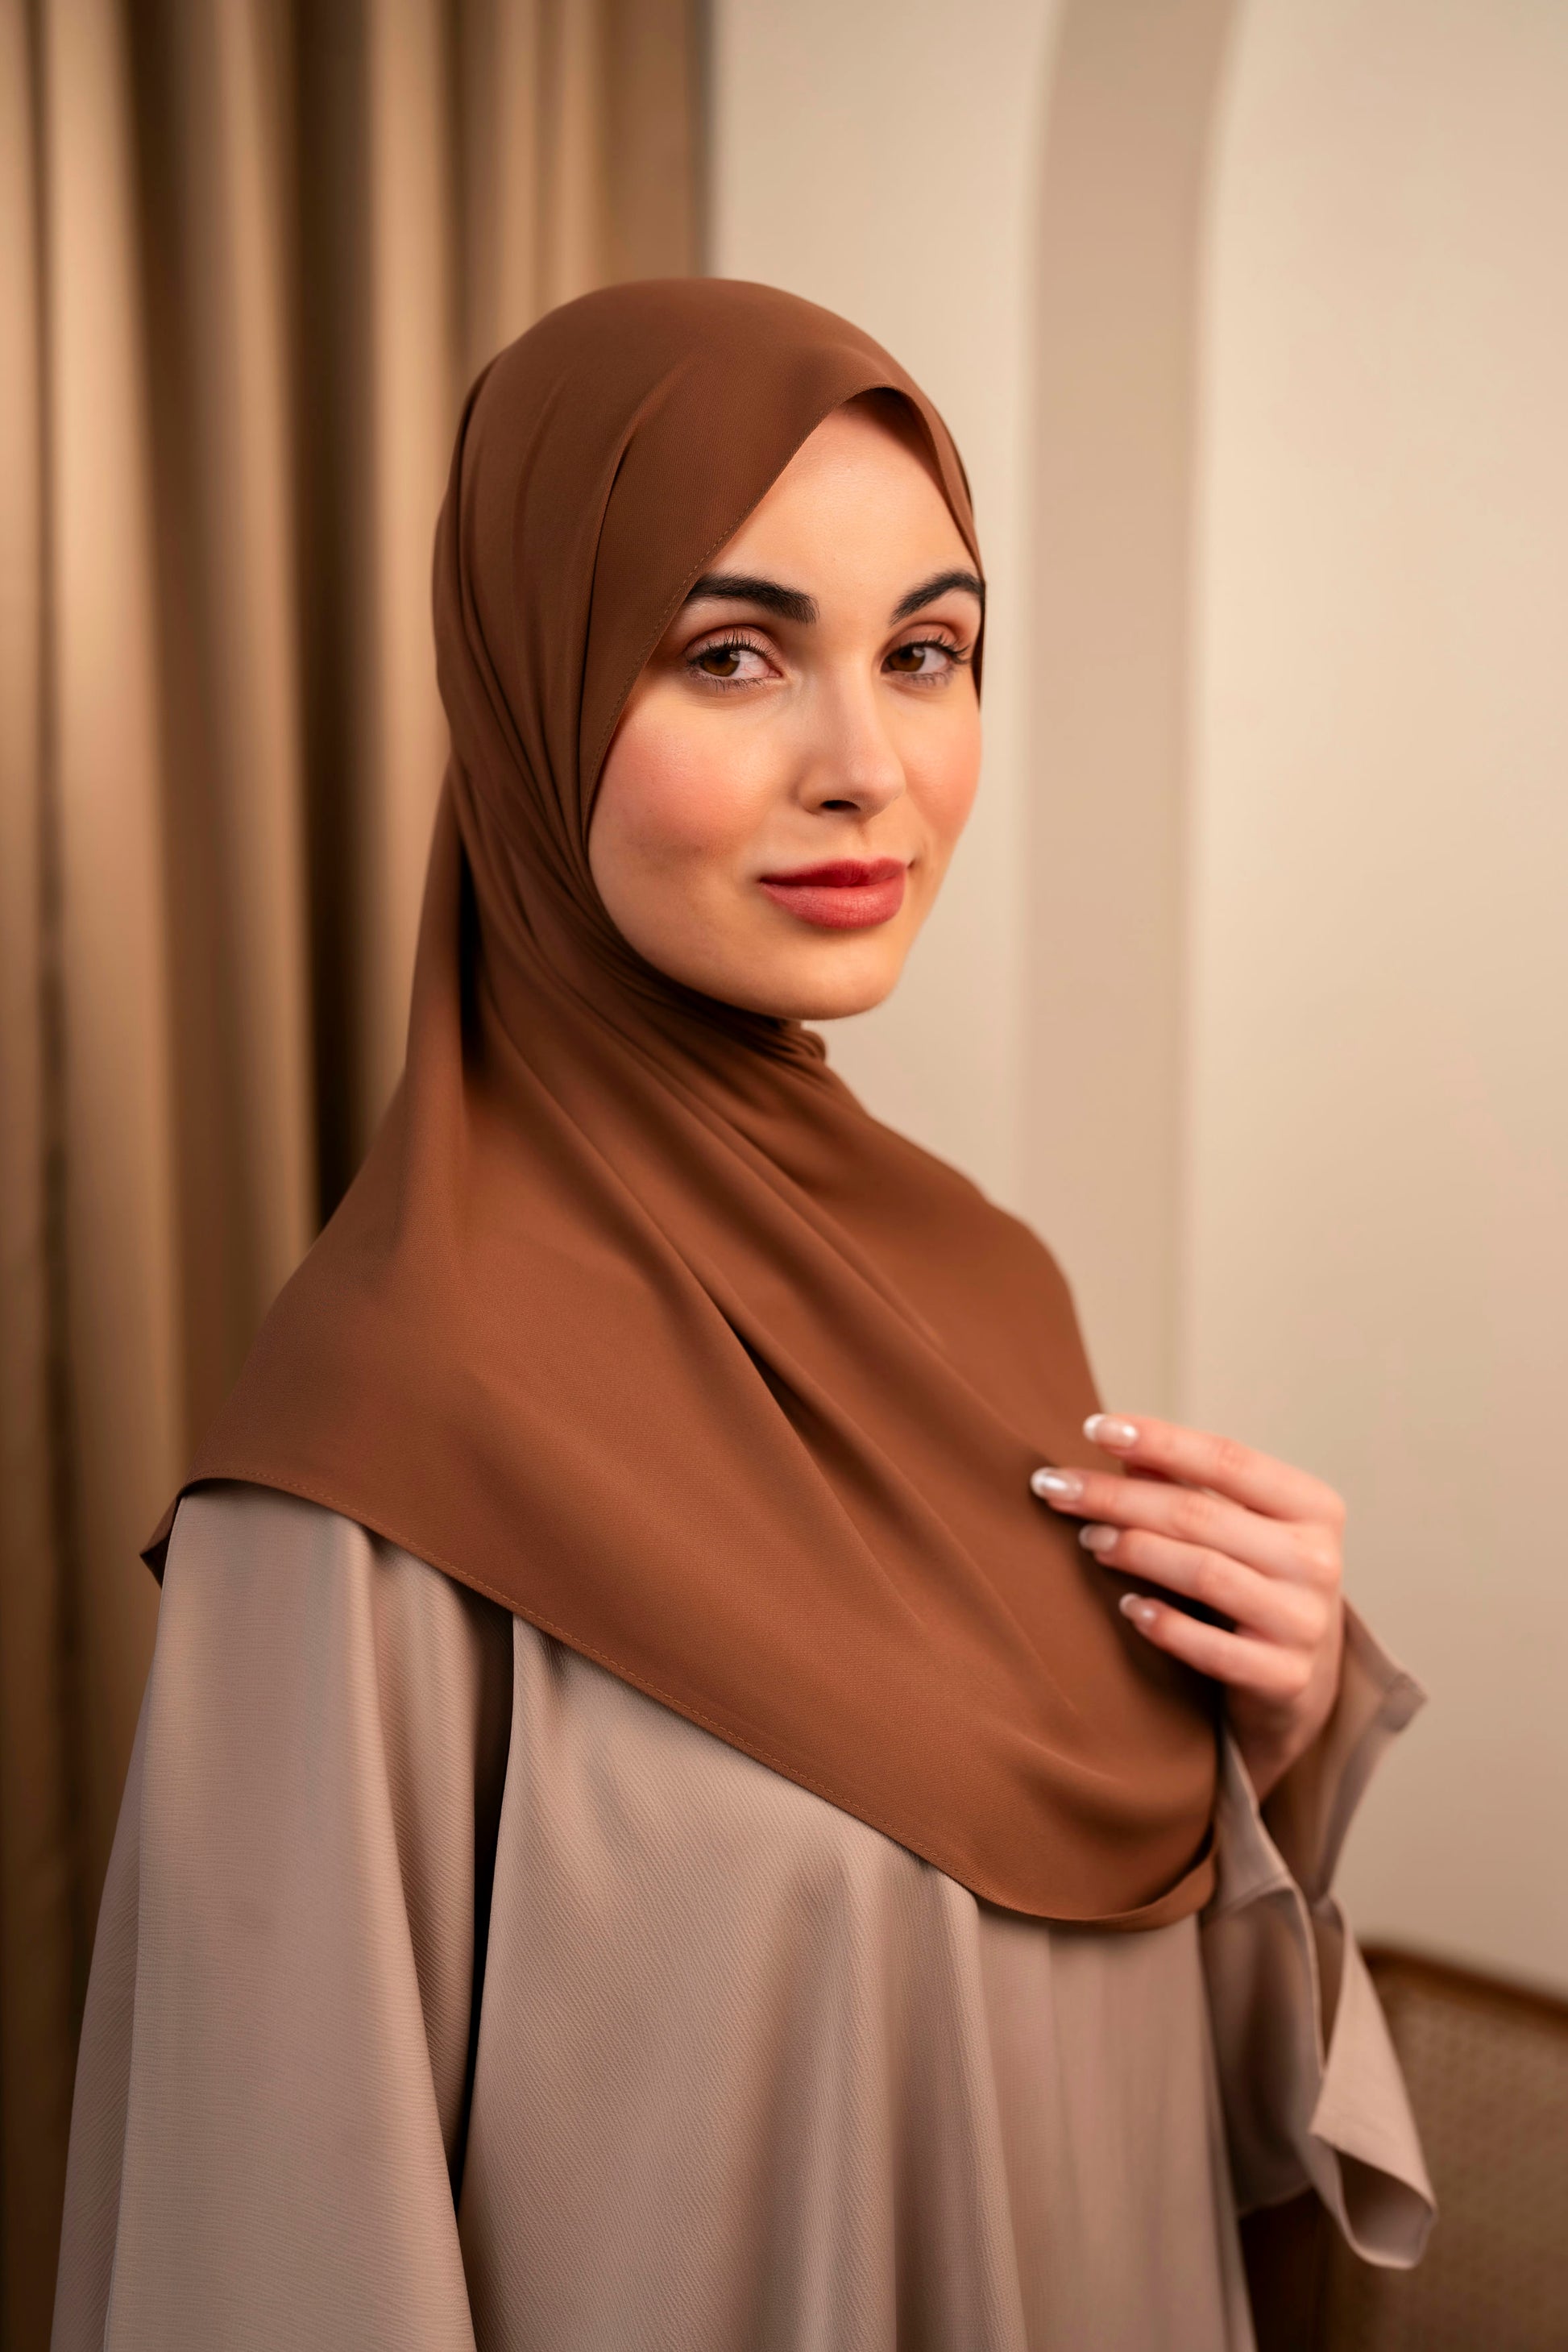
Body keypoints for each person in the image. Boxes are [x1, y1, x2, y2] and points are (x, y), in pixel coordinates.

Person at [52, 280, 1432, 2352]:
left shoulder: (989, 1288)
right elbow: (272, 2268)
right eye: (730, 654)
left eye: (926, 653)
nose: (865, 768)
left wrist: (1274, 1727)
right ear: (528, 686)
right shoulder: (374, 1455)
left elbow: (1153, 2080)